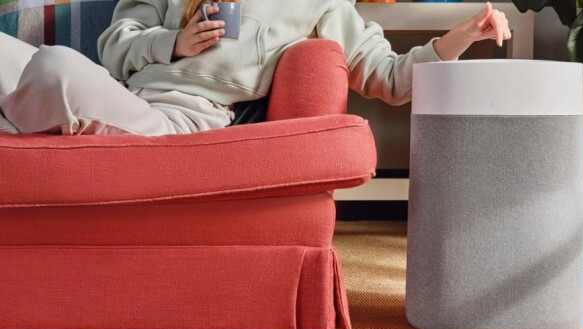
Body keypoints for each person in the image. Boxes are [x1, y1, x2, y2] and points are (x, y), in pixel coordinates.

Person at [0, 0, 510, 135]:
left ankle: (24, 123)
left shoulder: (320, 2)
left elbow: (390, 76)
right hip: (120, 92)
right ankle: (33, 123)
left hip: (183, 124)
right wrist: (171, 42)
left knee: (54, 67)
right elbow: (113, 45)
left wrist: (459, 38)